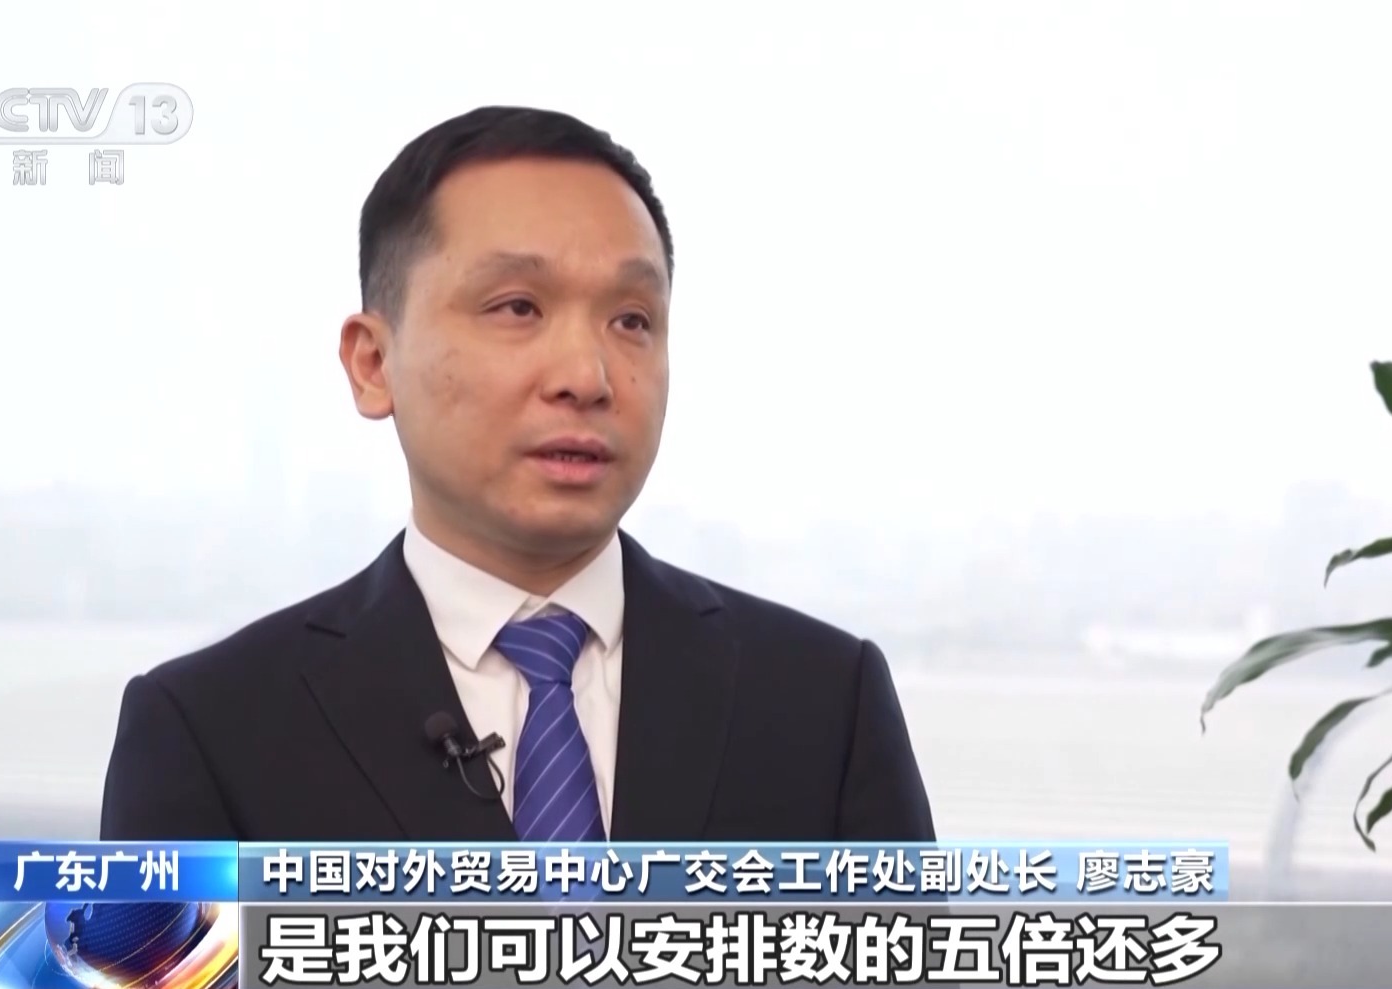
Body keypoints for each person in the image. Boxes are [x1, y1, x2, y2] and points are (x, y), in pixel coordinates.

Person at [99, 106, 935, 843]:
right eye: (518, 308)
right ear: (373, 363)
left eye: (632, 319)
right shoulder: (208, 730)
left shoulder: (825, 702)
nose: (587, 375)